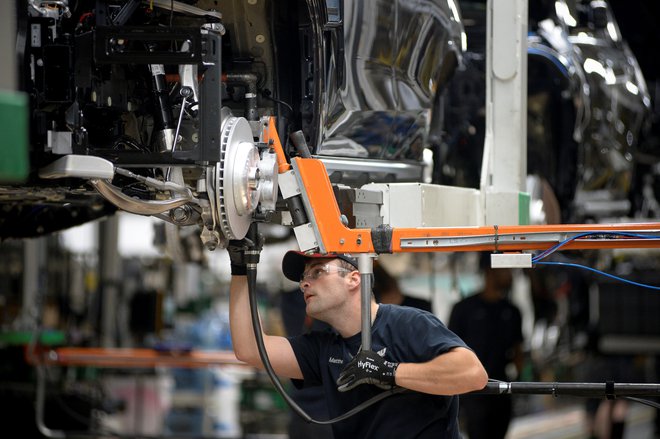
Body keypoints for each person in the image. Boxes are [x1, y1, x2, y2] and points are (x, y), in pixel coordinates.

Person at [228, 243, 488, 439]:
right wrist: (240, 268)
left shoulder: (407, 323)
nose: (305, 283)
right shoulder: (324, 347)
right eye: (303, 277)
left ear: (354, 278)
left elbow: (472, 373)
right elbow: (250, 348)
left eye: (317, 271)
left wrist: (389, 372)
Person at [448, 254, 524, 439]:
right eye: (506, 269)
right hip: (471, 391)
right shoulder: (463, 309)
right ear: (491, 270)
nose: (510, 275)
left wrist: (518, 383)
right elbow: (449, 350)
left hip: (501, 389)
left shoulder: (512, 311)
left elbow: (518, 350)